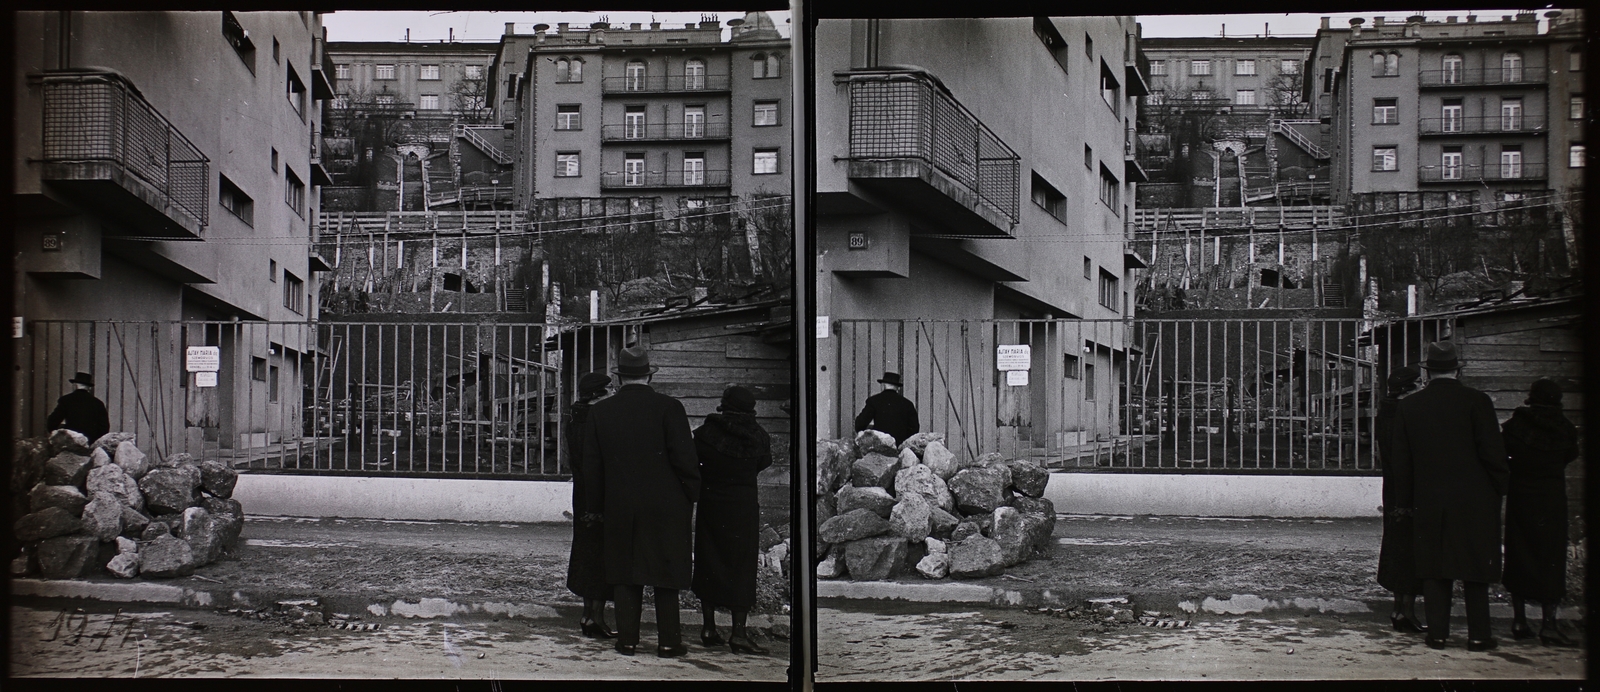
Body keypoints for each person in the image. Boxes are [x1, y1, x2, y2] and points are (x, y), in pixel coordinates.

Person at [581, 345, 700, 657]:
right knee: (665, 573)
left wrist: (595, 507)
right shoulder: (670, 408)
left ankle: (628, 641)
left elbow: (592, 467)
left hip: (620, 505)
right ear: (649, 374)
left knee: (625, 572)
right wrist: (691, 495)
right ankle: (669, 642)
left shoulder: (600, 411)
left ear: (620, 378)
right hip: (667, 505)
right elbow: (685, 460)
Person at [1390, 342, 1509, 652]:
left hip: (1429, 499)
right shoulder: (1478, 402)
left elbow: (1401, 463)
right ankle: (1479, 636)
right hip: (1476, 499)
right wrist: (1500, 488)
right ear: (1457, 369)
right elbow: (1492, 453)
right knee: (1475, 568)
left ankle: (1437, 635)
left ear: (1427, 372)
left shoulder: (1409, 406)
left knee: (1433, 567)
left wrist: (1403, 503)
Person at [691, 385, 774, 655]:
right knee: (741, 564)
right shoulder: (758, 436)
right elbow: (764, 462)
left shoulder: (704, 435)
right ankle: (739, 633)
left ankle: (708, 627)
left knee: (708, 559)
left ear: (723, 405)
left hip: (711, 504)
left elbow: (694, 462)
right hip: (742, 507)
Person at [1501, 378, 1580, 647]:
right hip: (1551, 499)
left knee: (1519, 553)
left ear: (1530, 397)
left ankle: (1519, 620)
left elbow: (1504, 453)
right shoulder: (1565, 429)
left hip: (1521, 495)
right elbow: (1571, 455)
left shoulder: (1515, 426)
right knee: (1551, 557)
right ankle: (1549, 624)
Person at [1375, 365, 1425, 633]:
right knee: (1409, 550)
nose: (1422, 388)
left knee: (1396, 546)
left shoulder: (1386, 411)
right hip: (1408, 489)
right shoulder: (1405, 414)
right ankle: (1406, 611)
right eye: (1418, 384)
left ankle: (1400, 608)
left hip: (1393, 487)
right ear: (1409, 389)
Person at [566, 371, 615, 639]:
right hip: (600, 494)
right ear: (598, 395)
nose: (614, 393)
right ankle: (596, 617)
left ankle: (588, 615)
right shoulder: (597, 419)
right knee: (601, 556)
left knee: (586, 551)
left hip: (582, 492)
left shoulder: (575, 416)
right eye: (610, 389)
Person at [853, 371, 919, 445]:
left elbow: (860, 424)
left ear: (883, 385)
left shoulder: (874, 401)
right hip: (900, 446)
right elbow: (914, 428)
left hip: (880, 446)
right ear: (897, 388)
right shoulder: (907, 404)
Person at [47, 371, 110, 444]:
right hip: (90, 443)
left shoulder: (66, 400)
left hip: (71, 442)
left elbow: (52, 422)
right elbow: (104, 427)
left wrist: (60, 432)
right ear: (89, 387)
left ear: (75, 385)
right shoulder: (98, 403)